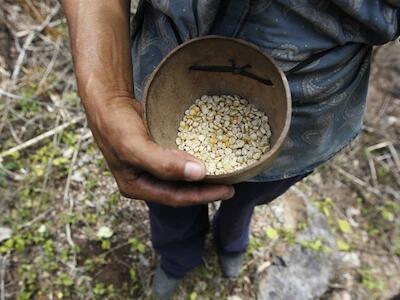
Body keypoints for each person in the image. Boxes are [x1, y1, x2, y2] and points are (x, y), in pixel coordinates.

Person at [62, 0, 399, 299]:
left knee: (247, 198)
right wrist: (106, 92)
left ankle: (232, 238)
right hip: (162, 88)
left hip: (302, 120)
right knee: (167, 203)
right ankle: (178, 258)